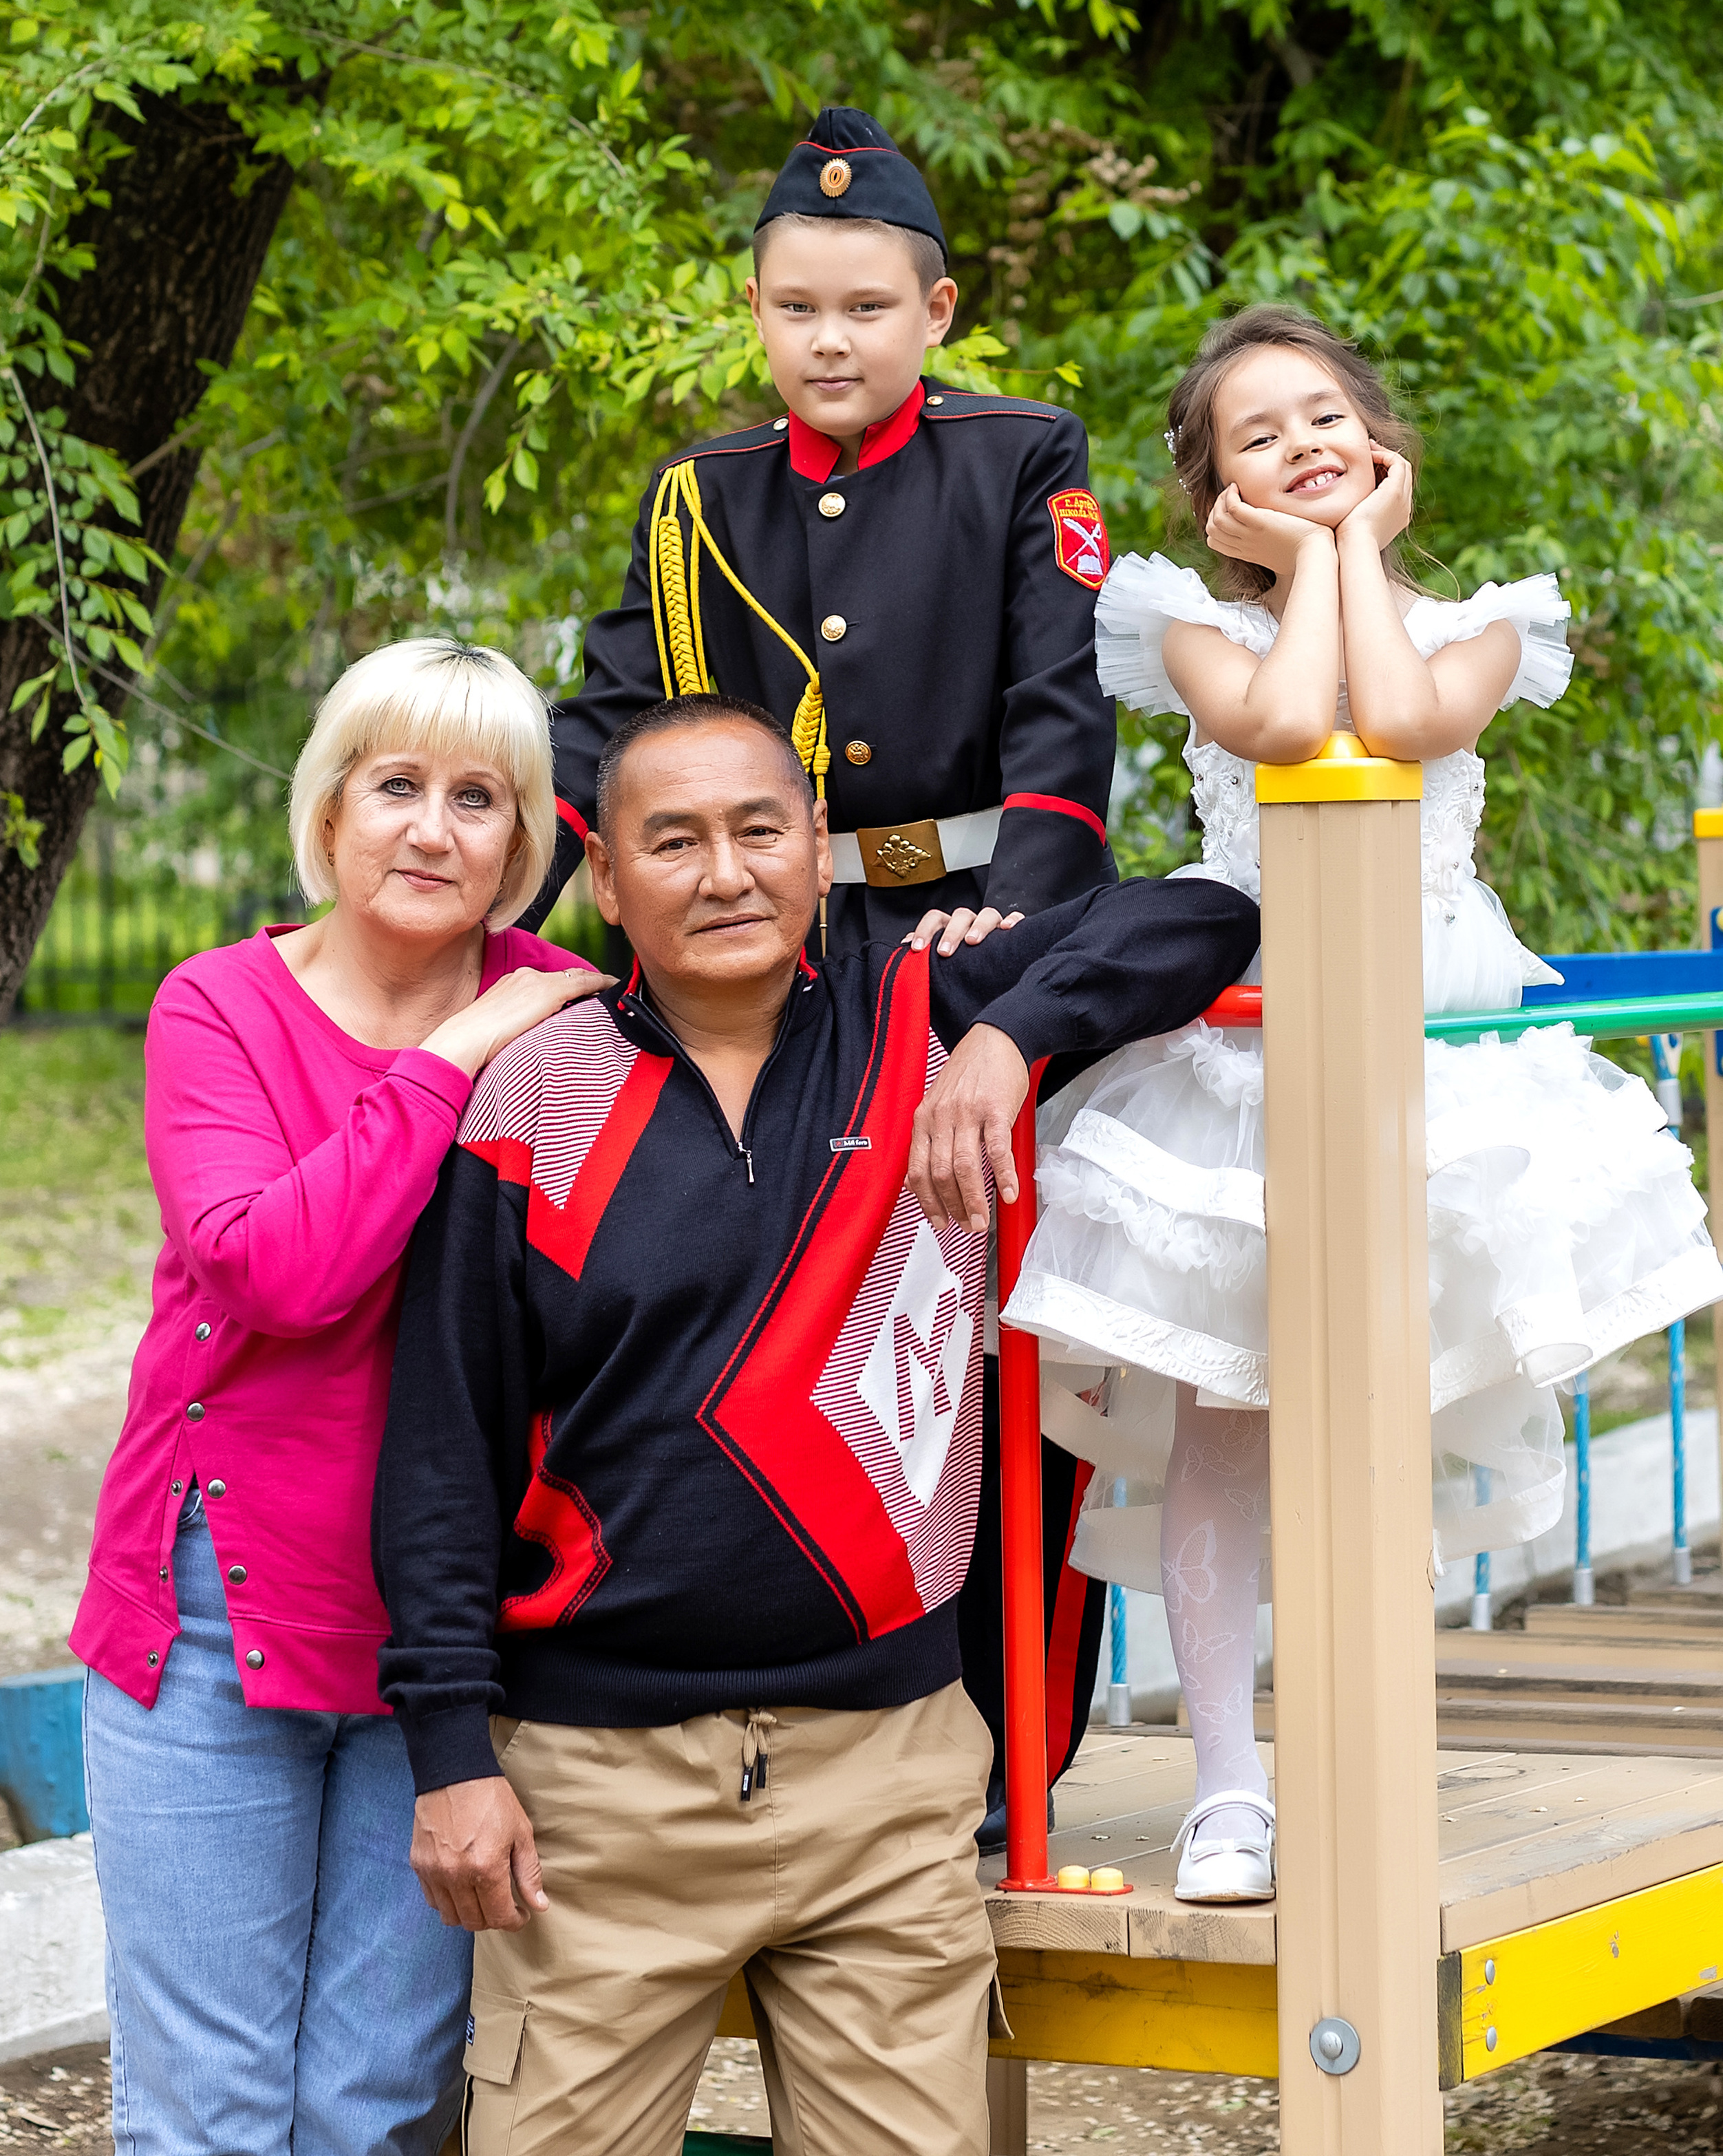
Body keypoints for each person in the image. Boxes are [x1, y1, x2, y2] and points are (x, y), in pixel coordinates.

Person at [373, 691, 1257, 2156]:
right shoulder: (531, 1097)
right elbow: (442, 1457)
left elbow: (1201, 916)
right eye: (673, 841)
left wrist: (1008, 1039)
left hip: (886, 1772)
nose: (723, 873)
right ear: (606, 880)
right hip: (597, 1801)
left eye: (758, 830)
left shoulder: (922, 1011)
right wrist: (450, 1757)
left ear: (817, 848)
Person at [1000, 303, 1723, 1910]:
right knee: (1228, 1416)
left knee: (1396, 1397)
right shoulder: (1188, 618)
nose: (1302, 447)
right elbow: (1275, 732)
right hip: (1246, 1063)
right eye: (1258, 436)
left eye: (1323, 417)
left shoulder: (1477, 621)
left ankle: (1377, 1739)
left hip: (1423, 1055)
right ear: (1214, 497)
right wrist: (1318, 564)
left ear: (1378, 440)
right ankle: (1225, 1784)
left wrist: (1354, 559)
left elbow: (1396, 725)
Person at [522, 104, 1120, 1823]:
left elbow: (1055, 732)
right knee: (756, 1344)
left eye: (865, 306)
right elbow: (612, 721)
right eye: (796, 308)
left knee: (979, 1354)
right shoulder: (697, 498)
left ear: (934, 314)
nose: (828, 338)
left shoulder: (1017, 458)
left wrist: (1014, 933)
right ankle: (775, 1727)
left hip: (961, 942)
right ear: (758, 312)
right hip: (753, 963)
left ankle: (1011, 1748)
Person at [72, 639, 607, 2156]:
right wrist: (450, 1056)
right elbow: (274, 1276)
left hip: (443, 1627)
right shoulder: (219, 1007)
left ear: (523, 841)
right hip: (210, 1616)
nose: (432, 829)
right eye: (396, 787)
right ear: (329, 810)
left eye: (478, 798)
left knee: (379, 2107)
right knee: (211, 2114)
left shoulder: (570, 1018)